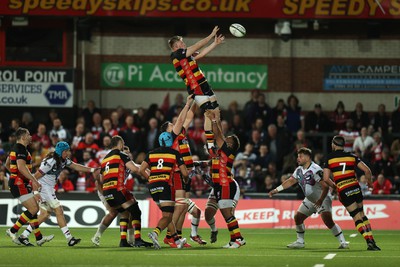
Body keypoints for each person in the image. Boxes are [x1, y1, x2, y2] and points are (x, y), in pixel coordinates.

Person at [19, 141, 97, 246]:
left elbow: (75, 166)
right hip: (44, 188)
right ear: (61, 152)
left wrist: (92, 169)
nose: (68, 153)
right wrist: (36, 191)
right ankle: (69, 238)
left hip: (48, 188)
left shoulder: (62, 160)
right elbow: (35, 176)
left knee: (45, 215)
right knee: (59, 210)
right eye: (66, 151)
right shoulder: (51, 161)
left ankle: (23, 235)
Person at [269, 147, 349, 249]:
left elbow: (325, 186)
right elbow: (290, 181)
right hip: (310, 199)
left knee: (328, 220)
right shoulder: (298, 170)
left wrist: (320, 200)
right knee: (298, 217)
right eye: (298, 156)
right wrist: (276, 190)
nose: (298, 158)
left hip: (322, 198)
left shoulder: (315, 169)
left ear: (308, 158)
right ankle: (300, 241)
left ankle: (343, 242)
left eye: (301, 156)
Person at [323, 135, 381, 251]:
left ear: (334, 145)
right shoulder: (352, 156)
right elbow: (367, 170)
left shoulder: (329, 158)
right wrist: (369, 183)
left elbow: (325, 178)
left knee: (356, 216)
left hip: (344, 189)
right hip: (356, 187)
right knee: (362, 214)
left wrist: (334, 186)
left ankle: (369, 241)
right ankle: (372, 240)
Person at [91, 145, 152, 248]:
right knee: (114, 212)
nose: (127, 154)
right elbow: (99, 182)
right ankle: (97, 236)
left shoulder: (128, 163)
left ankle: (128, 240)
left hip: (116, 189)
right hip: (105, 190)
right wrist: (106, 196)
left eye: (128, 153)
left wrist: (152, 174)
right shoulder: (115, 161)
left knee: (126, 212)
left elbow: (142, 169)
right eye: (125, 152)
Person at [203, 109, 246, 248]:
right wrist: (217, 118)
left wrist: (214, 120)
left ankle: (238, 238)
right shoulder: (223, 152)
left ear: (231, 144)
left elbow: (217, 134)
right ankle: (235, 239)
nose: (225, 139)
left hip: (225, 184)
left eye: (228, 139)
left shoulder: (228, 150)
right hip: (220, 185)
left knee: (227, 214)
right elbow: (219, 133)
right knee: (225, 213)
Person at [5, 127, 54, 246]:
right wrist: (33, 180)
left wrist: (13, 174)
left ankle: (39, 238)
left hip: (20, 182)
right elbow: (21, 167)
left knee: (33, 211)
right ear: (22, 137)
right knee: (34, 209)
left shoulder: (16, 148)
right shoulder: (20, 149)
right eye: (28, 134)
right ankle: (12, 230)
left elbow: (7, 163)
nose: (31, 136)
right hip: (19, 183)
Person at [139, 132, 188, 249]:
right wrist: (185, 180)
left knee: (166, 215)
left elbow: (141, 170)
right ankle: (155, 233)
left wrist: (150, 178)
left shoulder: (151, 154)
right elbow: (185, 172)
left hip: (153, 186)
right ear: (171, 141)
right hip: (166, 185)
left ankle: (176, 240)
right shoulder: (175, 153)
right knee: (168, 216)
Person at [168, 26, 223, 112]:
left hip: (204, 83)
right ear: (175, 47)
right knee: (210, 112)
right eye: (181, 43)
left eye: (183, 42)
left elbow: (201, 54)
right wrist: (211, 35)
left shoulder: (186, 54)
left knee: (216, 112)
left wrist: (215, 43)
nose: (184, 44)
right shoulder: (176, 54)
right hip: (195, 86)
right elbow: (197, 46)